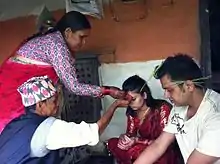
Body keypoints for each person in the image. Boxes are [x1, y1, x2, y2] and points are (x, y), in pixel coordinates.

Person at [0, 11, 131, 134]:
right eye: (81, 37)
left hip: (12, 84)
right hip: (12, 91)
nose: (84, 43)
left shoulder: (53, 40)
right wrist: (107, 91)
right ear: (68, 32)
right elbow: (74, 87)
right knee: (18, 128)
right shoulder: (57, 46)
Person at [0, 76, 129, 164]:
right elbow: (94, 131)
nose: (57, 105)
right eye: (54, 101)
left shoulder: (14, 124)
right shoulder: (47, 127)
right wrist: (115, 105)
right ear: (40, 105)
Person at [134, 54, 220, 164]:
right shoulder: (179, 107)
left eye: (169, 90)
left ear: (189, 86)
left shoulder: (215, 116)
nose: (166, 95)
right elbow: (159, 145)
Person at [107, 75, 182, 164]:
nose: (130, 103)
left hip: (163, 149)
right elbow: (130, 135)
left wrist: (137, 140)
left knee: (138, 152)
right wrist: (124, 139)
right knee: (113, 142)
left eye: (133, 99)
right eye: (127, 99)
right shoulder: (132, 112)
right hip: (142, 146)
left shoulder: (162, 108)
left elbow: (166, 142)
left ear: (144, 95)